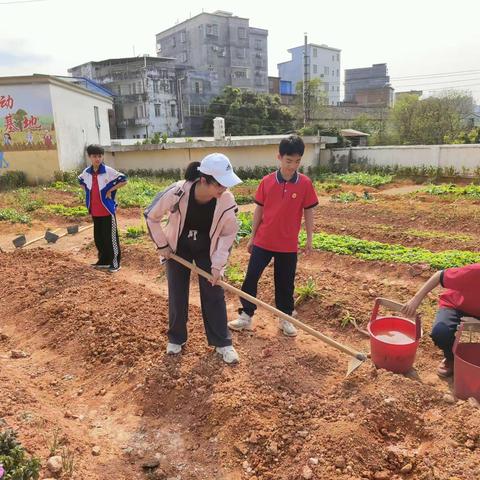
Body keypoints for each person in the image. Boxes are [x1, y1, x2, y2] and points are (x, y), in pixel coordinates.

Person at [145, 153, 242, 364]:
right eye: (220, 184)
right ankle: (176, 338)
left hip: (207, 248)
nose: (224, 189)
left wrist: (217, 266)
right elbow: (151, 216)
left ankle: (222, 342)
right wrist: (162, 245)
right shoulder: (178, 192)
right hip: (178, 247)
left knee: (214, 291)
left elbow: (227, 234)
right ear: (204, 180)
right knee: (177, 292)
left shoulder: (226, 200)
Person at [228, 135, 318, 336]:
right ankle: (246, 316)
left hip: (288, 245)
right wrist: (252, 237)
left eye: (297, 161)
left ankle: (285, 318)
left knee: (285, 283)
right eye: (288, 161)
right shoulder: (267, 181)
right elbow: (259, 210)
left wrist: (310, 238)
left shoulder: (305, 183)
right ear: (279, 157)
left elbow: (309, 211)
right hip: (263, 240)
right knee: (251, 277)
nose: (292, 165)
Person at [402, 263, 480, 377]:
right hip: (456, 307)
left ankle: (471, 360)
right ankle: (450, 359)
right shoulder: (475, 272)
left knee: (473, 342)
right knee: (442, 332)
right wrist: (415, 300)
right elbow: (439, 275)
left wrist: (475, 325)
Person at [78, 144, 127, 273]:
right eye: (94, 156)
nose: (97, 159)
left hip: (107, 210)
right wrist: (88, 193)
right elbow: (81, 181)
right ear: (89, 157)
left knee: (111, 237)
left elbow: (123, 180)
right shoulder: (87, 172)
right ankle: (104, 261)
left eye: (100, 156)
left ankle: (115, 263)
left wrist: (110, 190)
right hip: (94, 210)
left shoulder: (108, 171)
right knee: (99, 238)